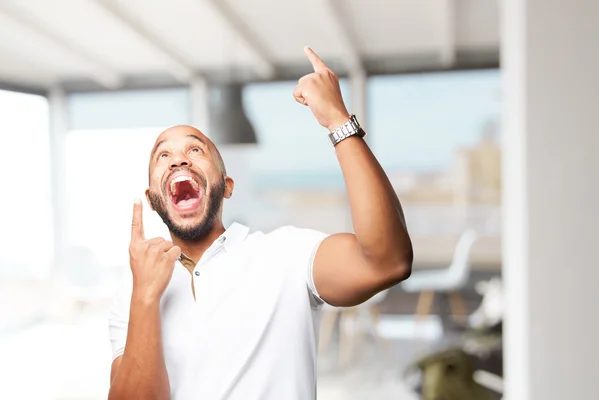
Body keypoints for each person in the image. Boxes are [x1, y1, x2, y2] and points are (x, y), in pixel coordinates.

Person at [107, 47, 413, 400]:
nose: (178, 160)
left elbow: (388, 262)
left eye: (195, 151)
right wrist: (145, 296)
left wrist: (338, 122)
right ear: (152, 198)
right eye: (164, 155)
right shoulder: (130, 296)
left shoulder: (285, 255)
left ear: (226, 186)